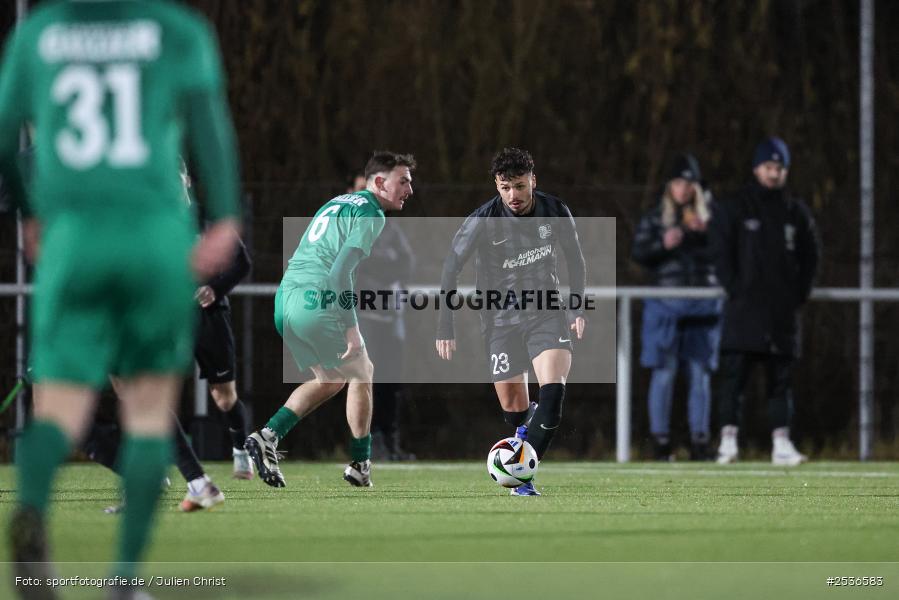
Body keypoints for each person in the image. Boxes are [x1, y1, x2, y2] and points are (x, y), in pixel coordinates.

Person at [0, 2, 241, 598]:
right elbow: (212, 135)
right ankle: (124, 581)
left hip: (75, 239)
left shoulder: (39, 34)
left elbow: (6, 137)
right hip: (154, 242)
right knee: (148, 410)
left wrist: (32, 212)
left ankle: (31, 518)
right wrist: (226, 216)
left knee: (57, 412)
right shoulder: (177, 31)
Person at [246, 151, 416, 488]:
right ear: (380, 183)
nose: (410, 188)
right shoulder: (371, 214)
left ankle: (267, 437)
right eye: (403, 181)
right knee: (363, 370)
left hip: (286, 300)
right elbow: (340, 275)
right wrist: (352, 329)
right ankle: (360, 463)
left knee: (330, 379)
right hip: (316, 299)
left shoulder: (338, 201)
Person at [436, 147, 586, 496]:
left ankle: (521, 477)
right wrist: (446, 325)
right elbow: (450, 268)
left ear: (533, 180)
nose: (512, 196)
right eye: (505, 187)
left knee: (552, 398)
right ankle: (524, 436)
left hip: (546, 313)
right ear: (496, 185)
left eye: (519, 186)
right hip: (500, 320)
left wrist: (576, 307)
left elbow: (575, 260)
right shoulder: (483, 220)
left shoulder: (555, 211)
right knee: (515, 412)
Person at [709, 137, 819, 466]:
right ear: (757, 168)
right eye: (769, 167)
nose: (774, 174)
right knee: (733, 380)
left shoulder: (795, 212)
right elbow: (720, 252)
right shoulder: (735, 207)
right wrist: (736, 288)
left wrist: (797, 294)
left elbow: (811, 257)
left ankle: (781, 443)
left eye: (779, 168)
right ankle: (727, 442)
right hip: (743, 311)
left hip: (781, 314)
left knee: (780, 382)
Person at [632, 154, 721, 461]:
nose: (684, 189)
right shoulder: (656, 217)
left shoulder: (713, 217)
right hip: (665, 304)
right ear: (670, 186)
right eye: (679, 182)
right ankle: (660, 443)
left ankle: (699, 442)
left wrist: (705, 233)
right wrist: (662, 244)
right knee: (664, 373)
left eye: (689, 183)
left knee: (700, 374)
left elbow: (729, 252)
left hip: (704, 305)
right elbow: (639, 253)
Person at [347, 173, 417, 461]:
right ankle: (367, 442)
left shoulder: (388, 227)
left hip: (390, 317)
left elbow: (406, 264)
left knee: (391, 382)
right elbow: (356, 266)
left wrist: (378, 265)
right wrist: (381, 265)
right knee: (363, 380)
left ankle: (391, 440)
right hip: (362, 318)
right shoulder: (348, 226)